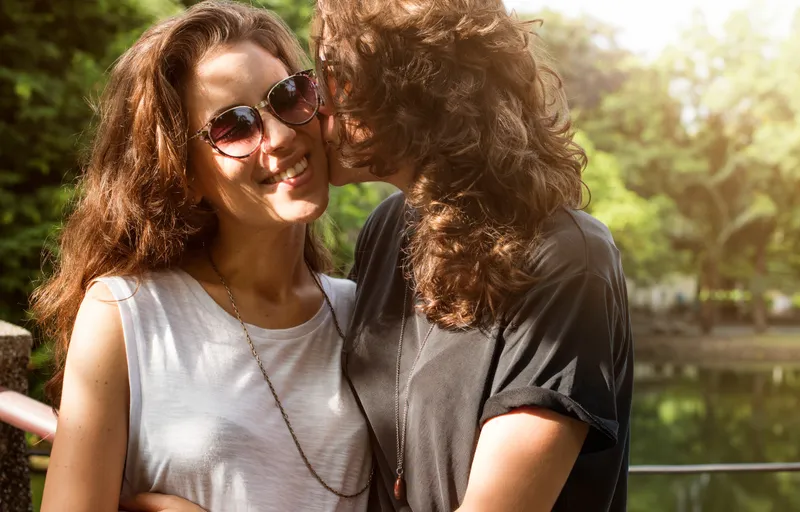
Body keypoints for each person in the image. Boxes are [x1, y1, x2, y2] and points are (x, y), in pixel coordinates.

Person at [31, 1, 372, 511]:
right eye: (234, 127)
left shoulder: (366, 312)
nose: (279, 137)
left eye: (289, 95)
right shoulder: (128, 315)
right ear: (182, 173)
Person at [313, 0, 634, 510]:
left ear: (413, 91)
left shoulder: (568, 260)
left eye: (336, 77)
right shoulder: (388, 230)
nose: (316, 103)